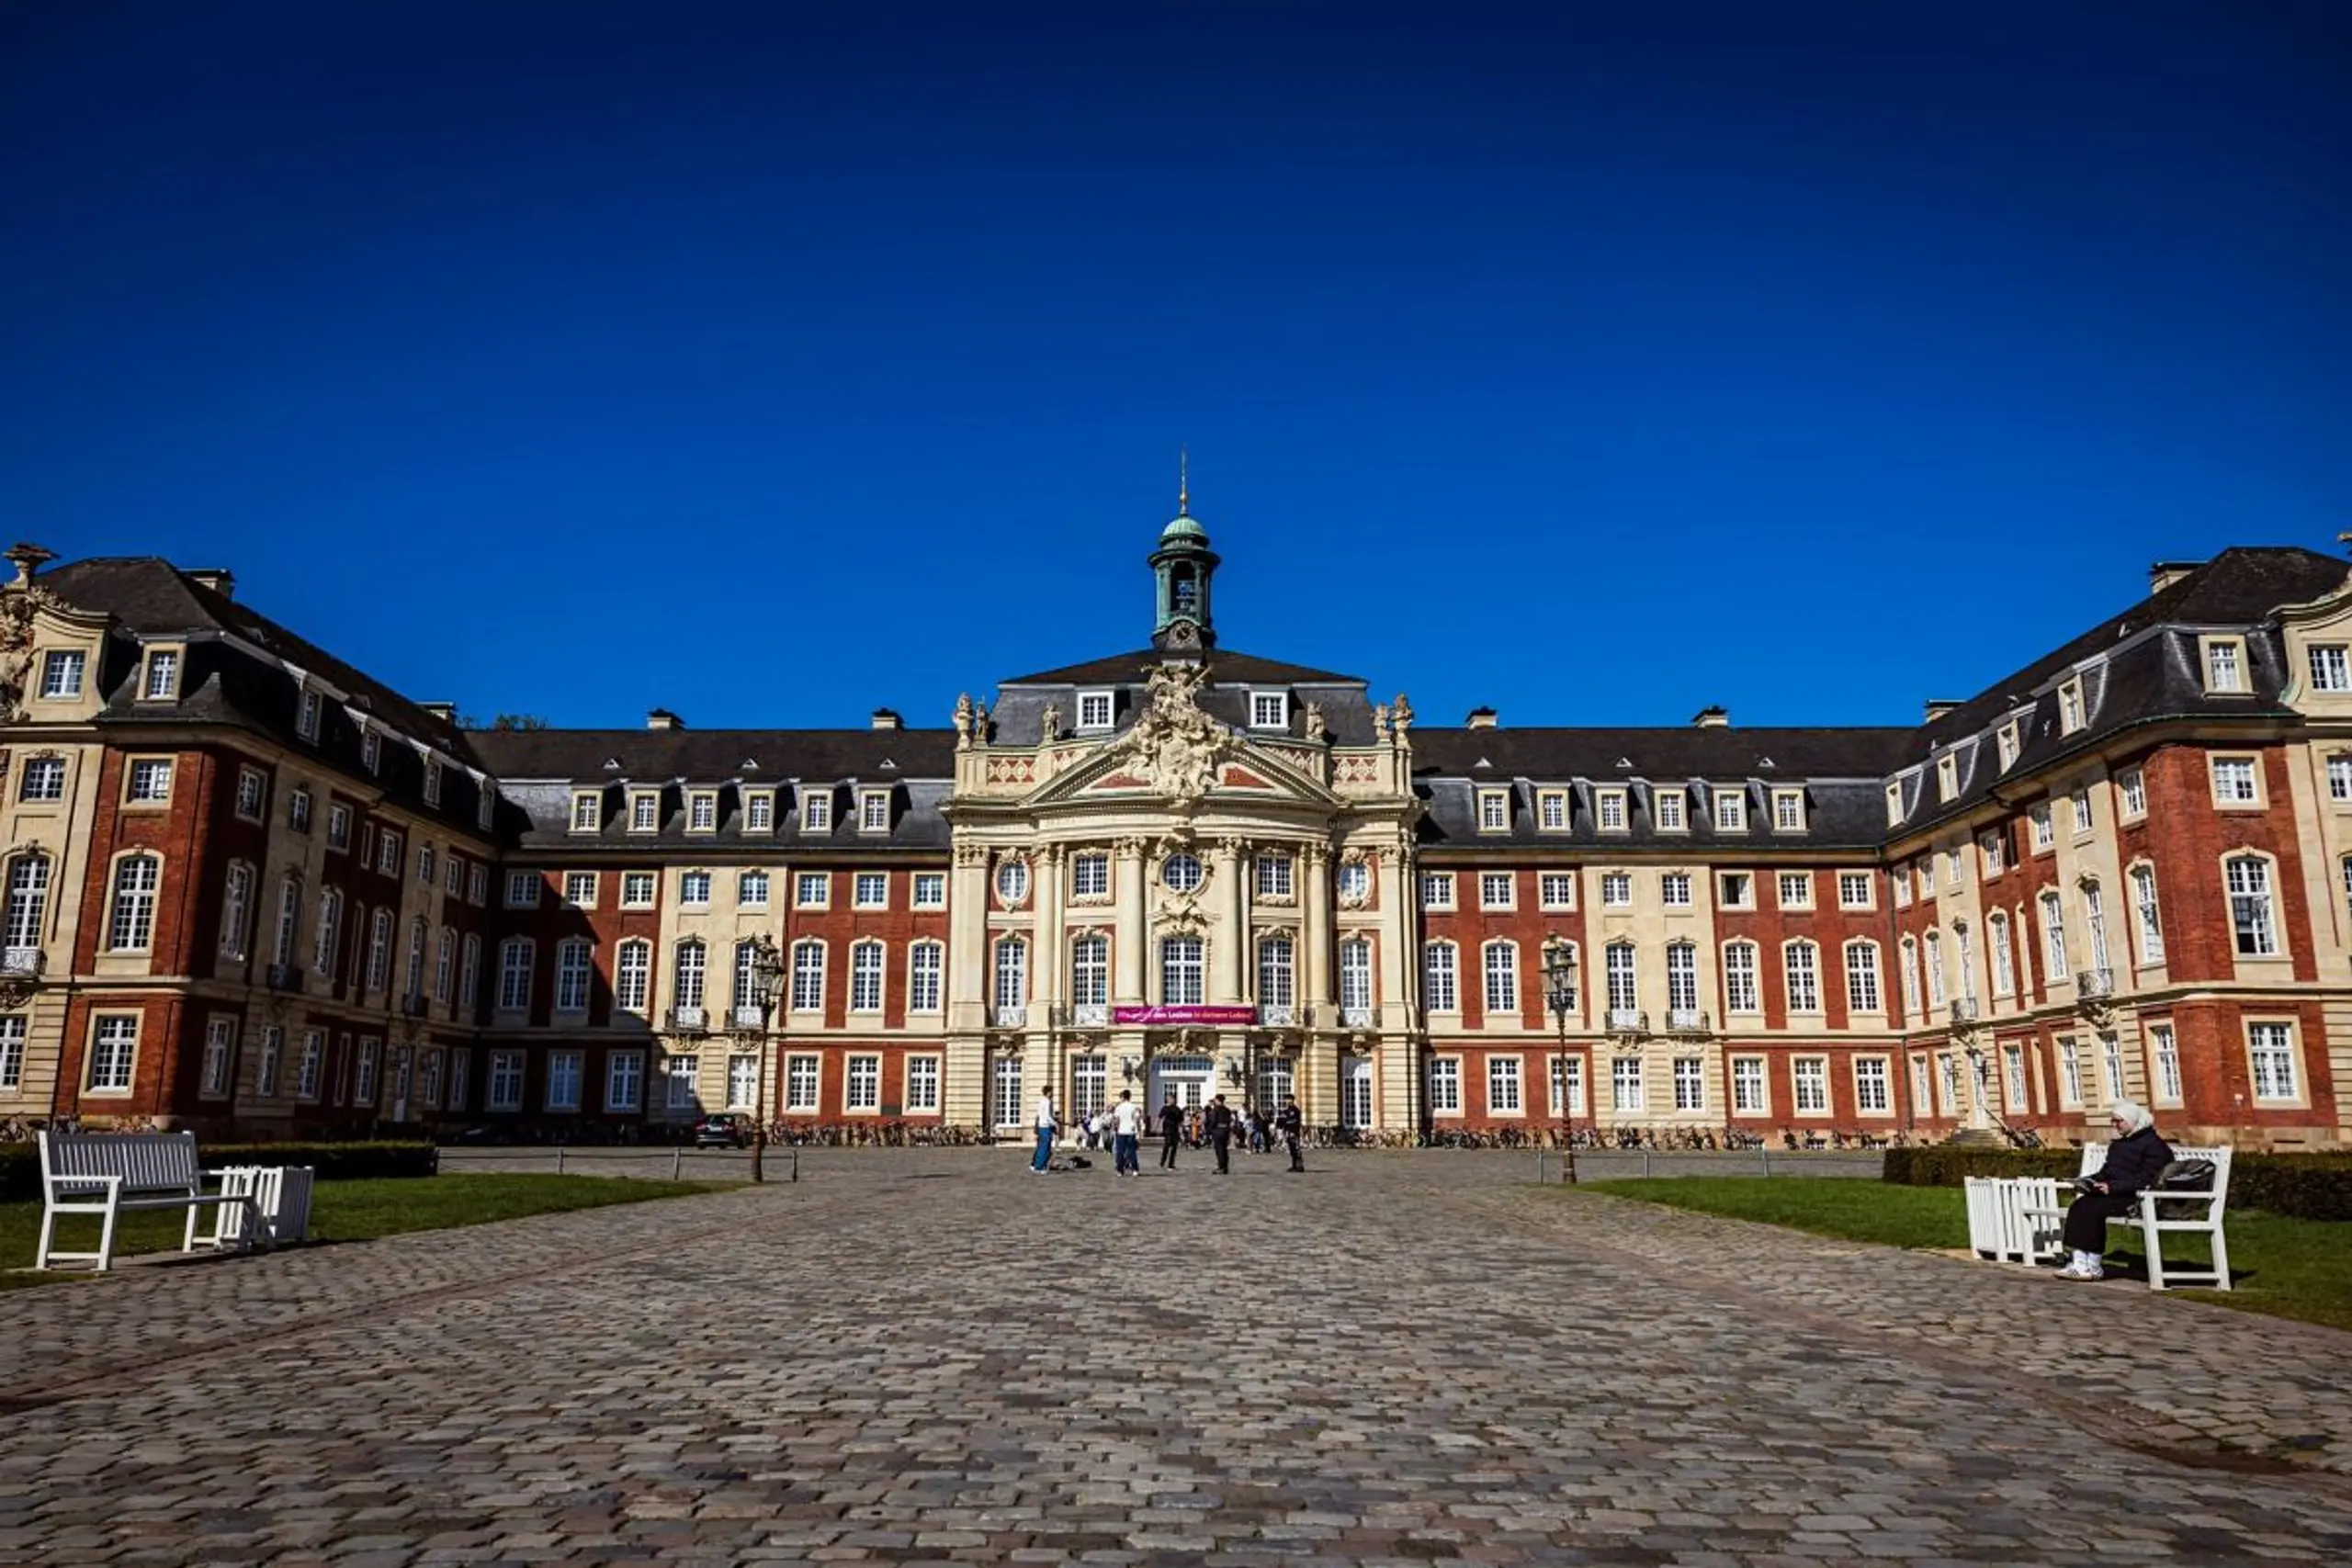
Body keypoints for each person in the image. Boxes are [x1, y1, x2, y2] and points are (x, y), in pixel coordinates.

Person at [2058, 1099, 2173, 1279]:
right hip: (2114, 1193)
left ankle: (2094, 1264)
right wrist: (2088, 1181)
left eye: (2119, 1121)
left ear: (2133, 1121)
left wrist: (2113, 1187)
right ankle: (2079, 1261)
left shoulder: (2154, 1145)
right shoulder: (2120, 1144)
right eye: (2113, 1121)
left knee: (2093, 1209)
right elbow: (2107, 1172)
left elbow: (2148, 1178)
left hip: (2135, 1197)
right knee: (2080, 1205)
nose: (2115, 1125)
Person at [1110, 1089, 1144, 1176]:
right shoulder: (1133, 1107)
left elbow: (1116, 1120)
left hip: (1122, 1131)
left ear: (1123, 1097)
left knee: (1120, 1152)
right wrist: (1138, 1132)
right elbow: (1137, 1119)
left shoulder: (1119, 1108)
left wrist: (1115, 1128)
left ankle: (1120, 1170)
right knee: (1132, 1151)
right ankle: (1135, 1169)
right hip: (1131, 1131)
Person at [1204, 1094, 1236, 1175]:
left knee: (1219, 1150)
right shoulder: (1227, 1110)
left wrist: (1209, 1130)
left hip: (1218, 1131)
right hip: (1225, 1131)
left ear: (1218, 1100)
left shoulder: (1216, 1109)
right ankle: (1225, 1167)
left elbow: (1214, 1120)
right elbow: (1229, 1121)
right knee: (1224, 1150)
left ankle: (1221, 1167)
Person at [1031, 1087, 1058, 1174]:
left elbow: (1039, 1115)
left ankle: (1037, 1165)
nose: (1052, 1093)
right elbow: (1047, 1116)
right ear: (1048, 1092)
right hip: (1046, 1127)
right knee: (1045, 1148)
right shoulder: (1047, 1102)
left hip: (1042, 1126)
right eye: (1051, 1092)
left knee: (1041, 1147)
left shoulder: (1042, 1101)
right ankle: (1039, 1167)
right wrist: (1055, 1123)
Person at [1276, 1095, 1305, 1172]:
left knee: (1296, 1149)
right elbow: (1280, 1120)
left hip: (1294, 1132)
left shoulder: (1295, 1110)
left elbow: (1295, 1121)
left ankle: (1299, 1166)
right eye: (1286, 1100)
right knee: (1291, 1150)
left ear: (1292, 1100)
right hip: (1288, 1132)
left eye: (1288, 1099)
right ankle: (1294, 1165)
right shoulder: (1286, 1111)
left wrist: (1286, 1123)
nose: (1287, 1101)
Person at [1158, 1094, 1184, 1169]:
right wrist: (1157, 1127)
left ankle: (1171, 1164)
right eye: (1169, 1099)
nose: (1172, 1100)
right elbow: (1160, 1117)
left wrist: (1181, 1132)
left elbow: (1180, 1122)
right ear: (1167, 1099)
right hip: (1167, 1130)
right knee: (1167, 1146)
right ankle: (1162, 1162)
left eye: (1172, 1099)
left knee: (1174, 1148)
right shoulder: (1165, 1108)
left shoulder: (1178, 1109)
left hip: (1175, 1130)